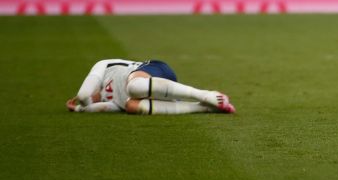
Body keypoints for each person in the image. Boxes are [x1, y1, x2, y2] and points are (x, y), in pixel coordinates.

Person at [66, 58, 235, 115]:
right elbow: (95, 106)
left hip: (153, 70)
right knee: (131, 106)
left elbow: (82, 95)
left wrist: (83, 101)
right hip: (155, 91)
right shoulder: (109, 100)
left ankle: (205, 94)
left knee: (133, 87)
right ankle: (204, 108)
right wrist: (80, 109)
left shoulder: (103, 66)